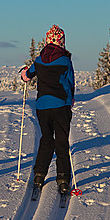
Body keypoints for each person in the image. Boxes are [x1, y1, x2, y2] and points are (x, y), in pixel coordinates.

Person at [21, 25, 75, 194]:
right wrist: (70, 100)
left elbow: (27, 75)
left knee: (46, 138)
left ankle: (39, 174)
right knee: (61, 141)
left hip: (42, 107)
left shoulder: (39, 60)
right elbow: (70, 83)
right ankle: (63, 178)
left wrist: (23, 73)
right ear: (62, 42)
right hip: (61, 106)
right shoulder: (65, 61)